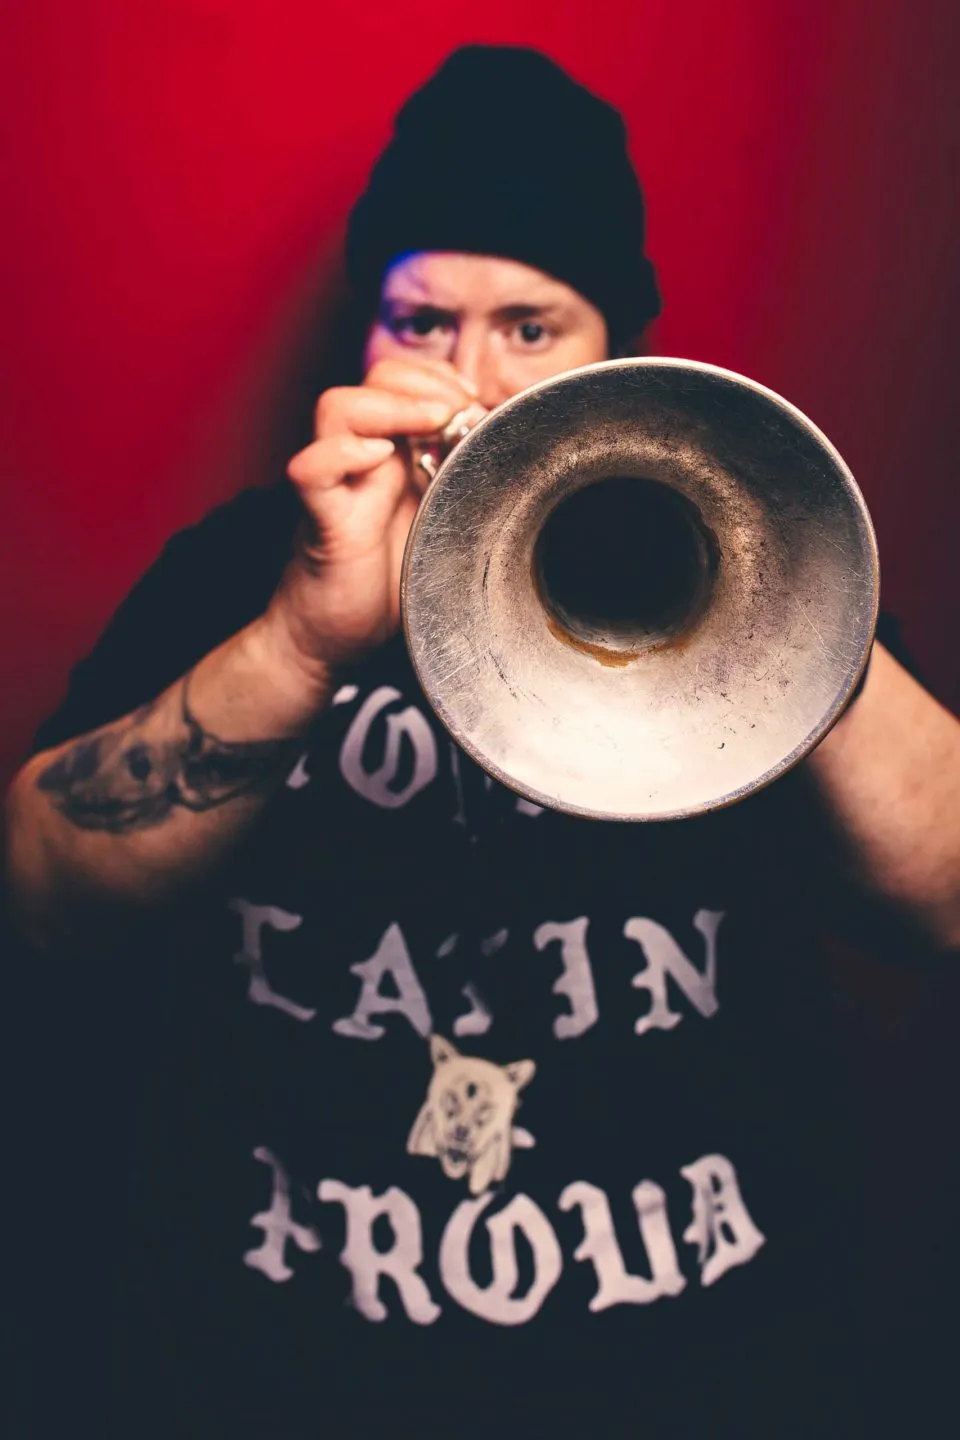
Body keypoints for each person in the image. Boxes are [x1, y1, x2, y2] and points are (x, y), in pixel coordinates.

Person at [5, 44, 960, 1440]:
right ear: (363, 341)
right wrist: (293, 645)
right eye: (418, 320)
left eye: (529, 325)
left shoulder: (745, 561)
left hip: (711, 1375)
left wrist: (771, 587)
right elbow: (32, 897)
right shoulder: (242, 577)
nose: (468, 381)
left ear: (616, 352)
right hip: (275, 1375)